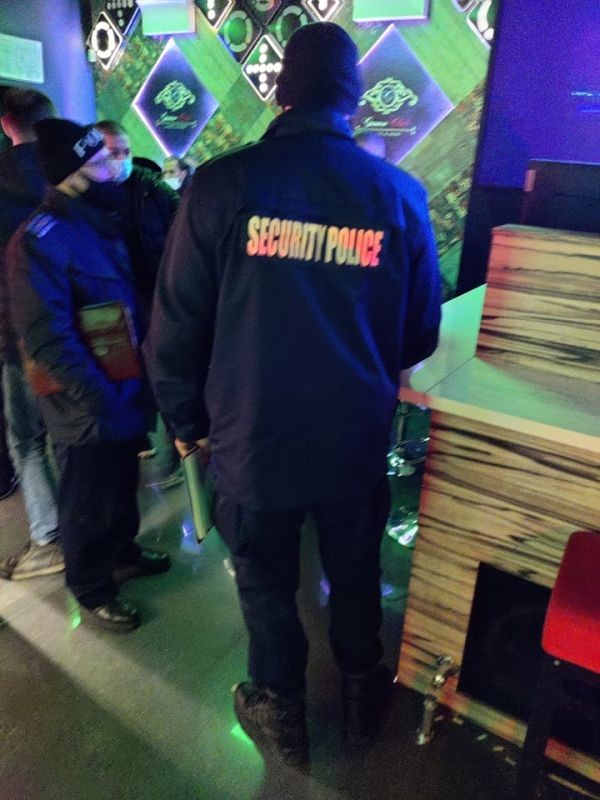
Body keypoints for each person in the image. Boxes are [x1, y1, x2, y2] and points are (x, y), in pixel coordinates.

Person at [144, 22, 441, 764]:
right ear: (354, 98)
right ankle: (364, 692)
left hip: (252, 436)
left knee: (266, 583)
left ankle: (281, 712)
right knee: (356, 568)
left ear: (281, 93)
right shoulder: (399, 194)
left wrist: (185, 421)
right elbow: (420, 334)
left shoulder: (220, 185)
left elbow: (174, 328)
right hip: (353, 435)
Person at [8, 118, 170, 631]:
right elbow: (47, 337)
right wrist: (99, 396)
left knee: (121, 484)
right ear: (71, 173)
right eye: (100, 161)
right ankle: (91, 585)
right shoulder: (39, 240)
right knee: (87, 498)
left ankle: (122, 552)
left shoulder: (102, 219)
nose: (113, 168)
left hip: (123, 384)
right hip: (86, 400)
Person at [94, 119, 182, 487]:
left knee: (166, 375)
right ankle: (138, 439)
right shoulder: (88, 198)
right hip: (111, 309)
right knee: (125, 378)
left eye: (126, 151)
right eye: (113, 153)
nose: (122, 159)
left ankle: (178, 454)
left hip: (155, 298)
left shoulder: (153, 191)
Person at [0, 88, 63, 578]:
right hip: (74, 328)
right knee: (72, 433)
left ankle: (49, 537)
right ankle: (88, 528)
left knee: (26, 441)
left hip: (16, 333)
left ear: (6, 126)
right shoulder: (69, 175)